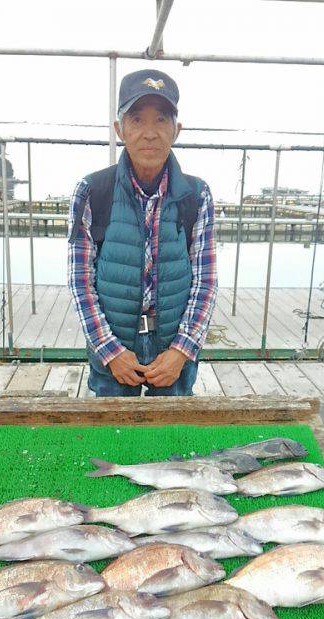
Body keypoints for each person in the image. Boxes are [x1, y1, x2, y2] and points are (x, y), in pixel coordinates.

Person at [67, 68, 217, 396]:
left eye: (161, 120)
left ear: (176, 130)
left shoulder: (197, 195)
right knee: (113, 427)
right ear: (119, 129)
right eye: (137, 120)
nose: (149, 133)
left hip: (173, 349)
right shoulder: (92, 191)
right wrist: (110, 351)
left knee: (174, 427)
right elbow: (80, 282)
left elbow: (205, 282)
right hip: (114, 348)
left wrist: (181, 351)